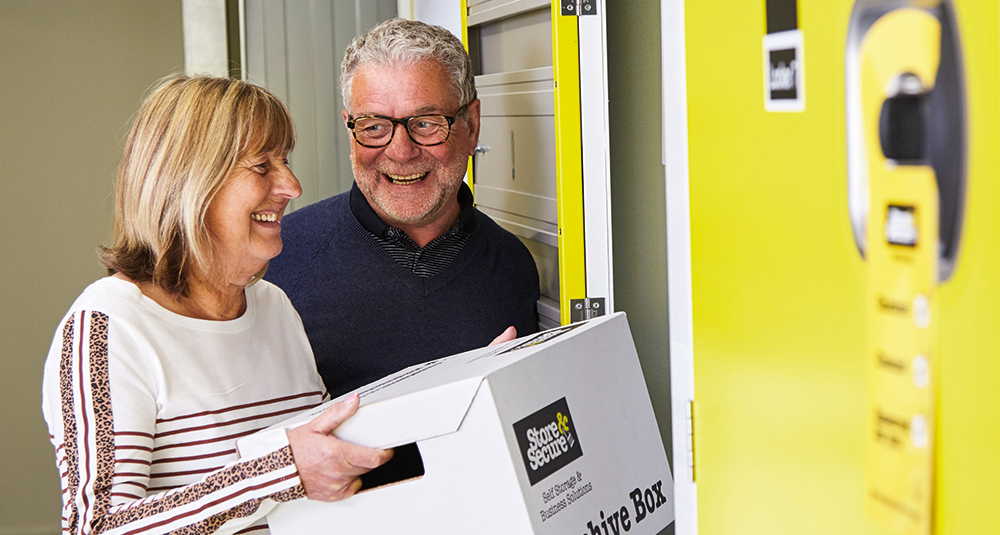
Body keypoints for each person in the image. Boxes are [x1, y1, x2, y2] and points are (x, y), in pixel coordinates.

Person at [41, 75, 393, 535]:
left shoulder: (273, 307)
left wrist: (468, 381)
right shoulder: (107, 329)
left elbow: (323, 457)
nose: (292, 185)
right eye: (262, 166)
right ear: (189, 181)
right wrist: (277, 475)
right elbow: (99, 527)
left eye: (284, 161)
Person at [265, 18, 541, 398]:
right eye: (375, 126)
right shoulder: (278, 263)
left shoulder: (513, 265)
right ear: (350, 129)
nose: (400, 150)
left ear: (472, 125)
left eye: (426, 123)